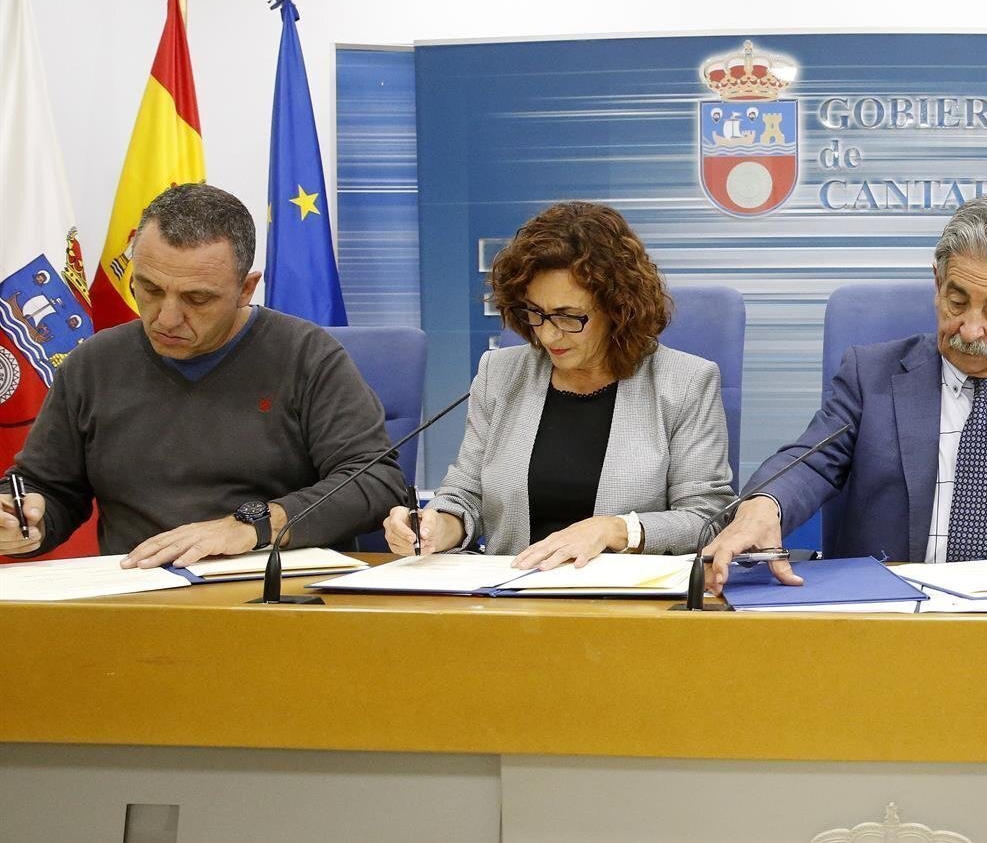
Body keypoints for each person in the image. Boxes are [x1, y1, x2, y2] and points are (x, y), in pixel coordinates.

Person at [702, 196, 987, 591]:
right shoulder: (871, 377)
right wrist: (765, 503)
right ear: (938, 285)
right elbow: (811, 461)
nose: (971, 330)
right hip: (897, 613)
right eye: (957, 302)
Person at [0, 182, 405, 564]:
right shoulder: (93, 363)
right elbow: (46, 487)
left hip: (274, 590)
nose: (167, 317)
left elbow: (375, 483)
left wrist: (253, 527)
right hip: (137, 594)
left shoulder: (307, 357)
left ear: (246, 289)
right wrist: (26, 519)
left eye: (197, 298)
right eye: (150, 289)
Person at [386, 202, 732, 566]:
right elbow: (466, 495)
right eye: (536, 313)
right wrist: (436, 527)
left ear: (617, 310)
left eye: (569, 317)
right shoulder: (499, 373)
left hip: (621, 594)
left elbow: (705, 519)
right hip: (511, 587)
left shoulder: (685, 382)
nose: (548, 334)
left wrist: (614, 530)